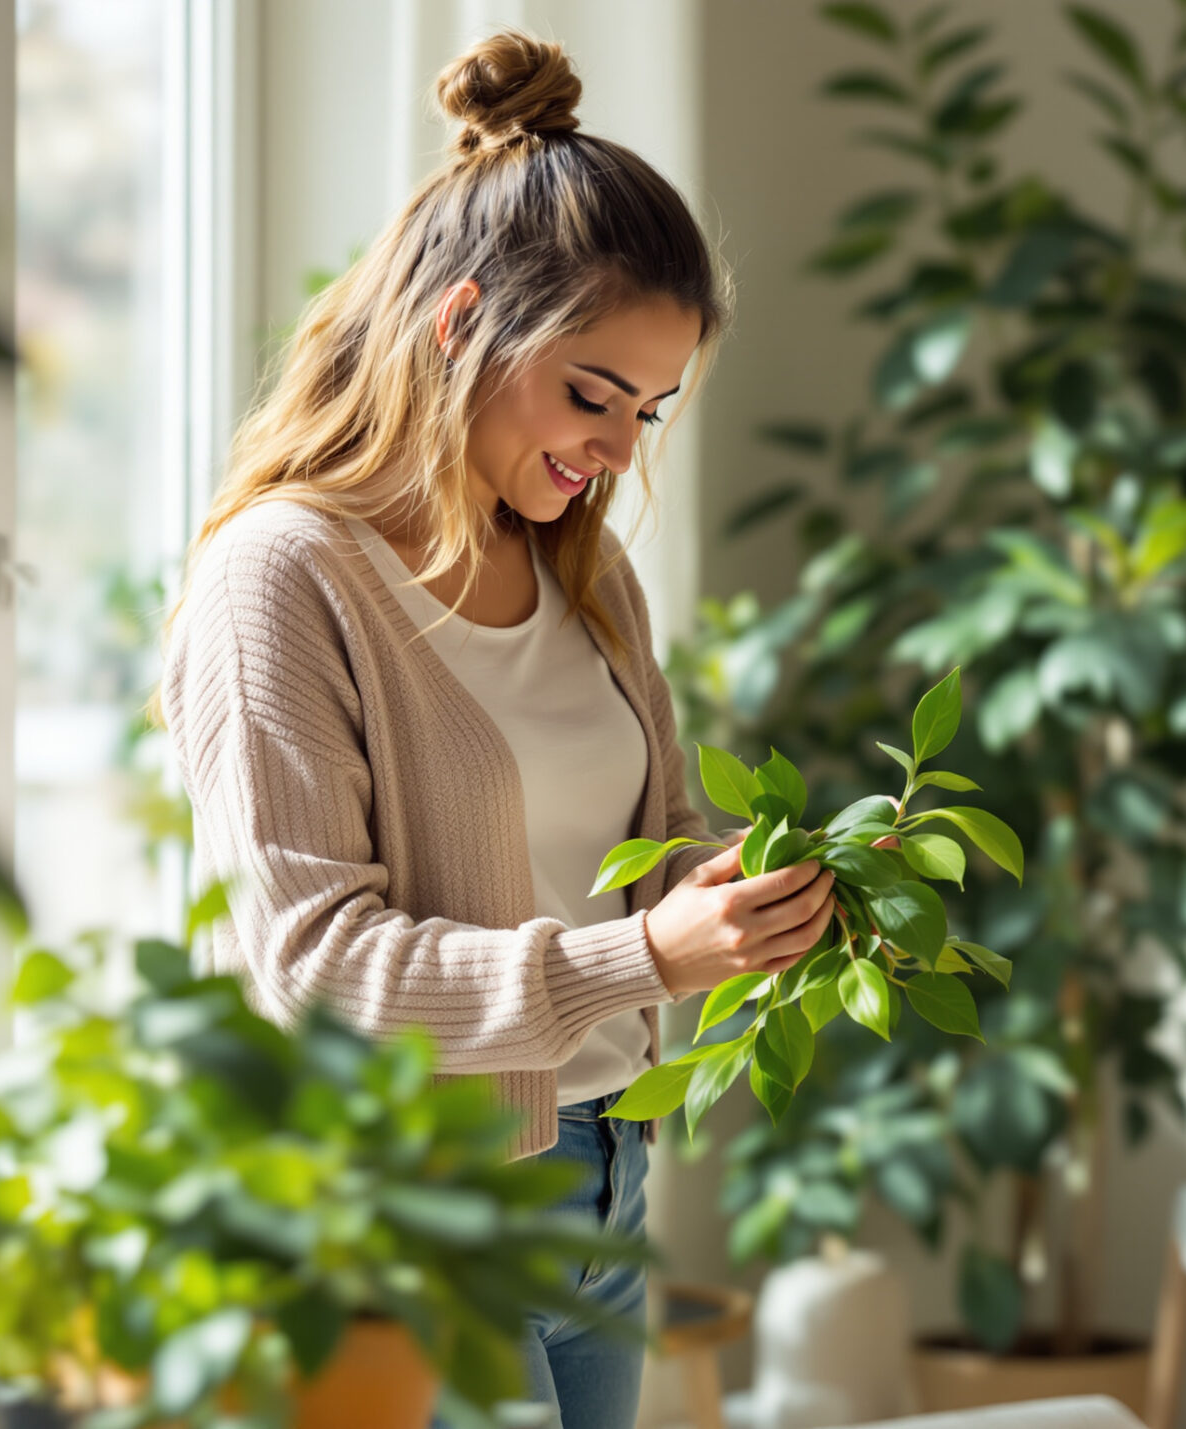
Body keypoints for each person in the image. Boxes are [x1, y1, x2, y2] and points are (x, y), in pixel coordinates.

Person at [160, 28, 840, 1429]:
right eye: (592, 394)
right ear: (459, 320)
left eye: (648, 408)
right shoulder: (283, 577)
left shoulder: (587, 572)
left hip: (607, 1172)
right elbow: (315, 970)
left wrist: (734, 891)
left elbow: (639, 846)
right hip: (403, 1208)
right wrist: (645, 954)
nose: (620, 448)